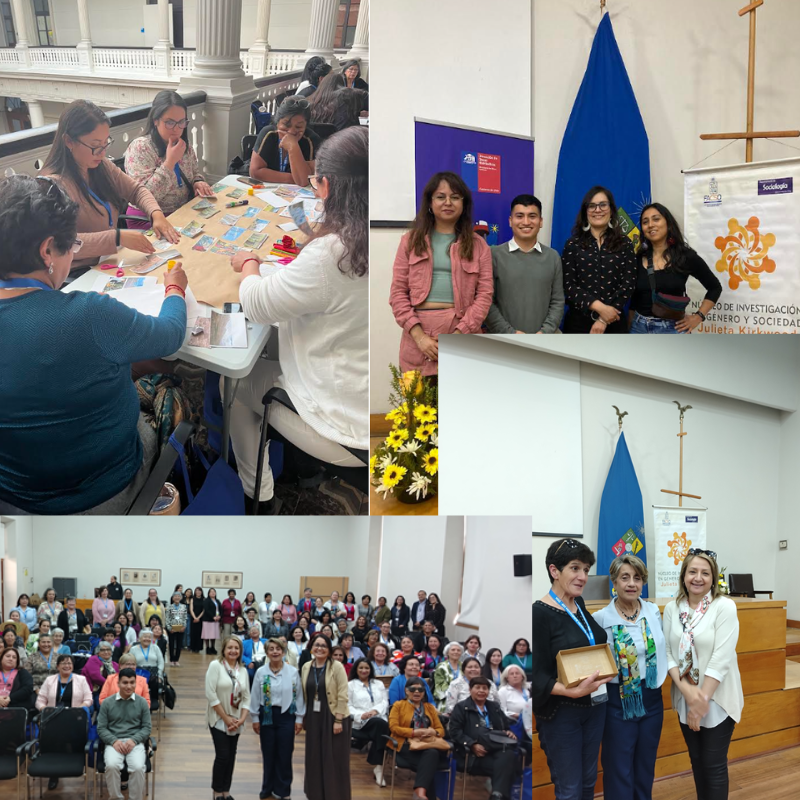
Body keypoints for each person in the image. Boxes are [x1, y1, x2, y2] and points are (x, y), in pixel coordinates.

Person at [0, 175, 187, 514]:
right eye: (71, 246)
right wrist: (175, 288)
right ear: (47, 251)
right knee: (168, 394)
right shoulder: (89, 315)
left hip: (14, 499)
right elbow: (171, 334)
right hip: (103, 492)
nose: (72, 255)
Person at [229, 126, 369, 512]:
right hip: (380, 409)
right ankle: (293, 459)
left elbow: (256, 303)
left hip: (349, 431)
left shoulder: (331, 255)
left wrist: (249, 263)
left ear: (326, 187)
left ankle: (260, 496)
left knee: (236, 385)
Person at [532, 538, 613, 800]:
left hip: (594, 708)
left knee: (589, 782)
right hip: (561, 714)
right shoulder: (539, 613)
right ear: (554, 571)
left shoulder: (579, 607)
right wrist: (571, 693)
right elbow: (533, 676)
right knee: (569, 789)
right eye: (575, 568)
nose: (583, 577)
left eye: (586, 570)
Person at [390, 170, 493, 376]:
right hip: (418, 335)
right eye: (440, 197)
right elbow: (398, 294)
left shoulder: (479, 246)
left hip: (462, 332)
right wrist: (420, 337)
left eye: (455, 197)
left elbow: (484, 295)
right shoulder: (409, 241)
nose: (448, 202)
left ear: (464, 205)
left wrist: (458, 334)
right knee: (420, 406)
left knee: (460, 404)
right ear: (430, 202)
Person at [664, 549, 743, 800]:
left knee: (713, 764)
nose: (698, 578)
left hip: (717, 699)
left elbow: (722, 659)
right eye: (692, 571)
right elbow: (667, 652)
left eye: (705, 573)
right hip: (684, 698)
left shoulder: (724, 607)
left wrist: (700, 702)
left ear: (713, 577)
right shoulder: (671, 608)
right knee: (696, 761)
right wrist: (686, 691)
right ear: (683, 576)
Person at [592, 553, 668, 800]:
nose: (631, 583)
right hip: (618, 702)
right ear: (614, 581)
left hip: (652, 699)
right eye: (625, 577)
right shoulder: (601, 619)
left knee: (645, 765)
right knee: (618, 767)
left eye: (637, 578)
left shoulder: (653, 611)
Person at [630, 202, 722, 334]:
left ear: (668, 223)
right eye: (645, 222)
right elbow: (634, 301)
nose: (650, 225)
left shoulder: (685, 256)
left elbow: (715, 287)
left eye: (656, 219)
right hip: (639, 328)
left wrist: (698, 317)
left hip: (673, 329)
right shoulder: (638, 259)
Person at [124, 90, 214, 225]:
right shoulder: (141, 147)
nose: (176, 129)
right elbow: (144, 197)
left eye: (181, 122)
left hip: (182, 210)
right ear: (156, 121)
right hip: (149, 217)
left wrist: (197, 182)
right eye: (170, 122)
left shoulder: (183, 144)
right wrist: (170, 162)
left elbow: (195, 173)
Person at [485, 194, 565, 334]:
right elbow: (486, 302)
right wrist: (510, 333)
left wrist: (544, 332)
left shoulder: (553, 257)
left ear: (541, 221)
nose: (526, 222)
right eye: (520, 216)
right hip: (505, 342)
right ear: (510, 221)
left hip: (546, 342)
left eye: (532, 216)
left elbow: (557, 301)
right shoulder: (494, 255)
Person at [561, 186, 636, 333]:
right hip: (578, 323)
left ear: (611, 209)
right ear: (585, 211)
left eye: (603, 205)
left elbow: (628, 284)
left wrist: (604, 318)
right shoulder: (572, 244)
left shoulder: (625, 243)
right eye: (592, 206)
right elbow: (568, 285)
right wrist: (600, 308)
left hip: (614, 321)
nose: (597, 210)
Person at [250, 639, 306, 800]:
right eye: (271, 649)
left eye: (278, 649)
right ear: (267, 652)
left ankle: (283, 790)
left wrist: (299, 719)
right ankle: (267, 787)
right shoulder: (261, 672)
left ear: (283, 652)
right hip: (266, 715)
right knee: (268, 753)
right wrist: (254, 718)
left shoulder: (292, 671)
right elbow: (255, 695)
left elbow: (299, 697)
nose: (275, 652)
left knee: (285, 753)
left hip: (286, 716)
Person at [449, 676, 520, 800]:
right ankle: (498, 795)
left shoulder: (494, 707)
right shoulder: (461, 707)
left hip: (497, 752)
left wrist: (508, 732)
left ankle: (496, 795)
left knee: (507, 757)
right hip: (474, 756)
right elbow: (454, 732)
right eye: (478, 687)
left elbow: (505, 726)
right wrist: (472, 744)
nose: (481, 691)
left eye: (485, 688)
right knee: (508, 766)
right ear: (470, 689)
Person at [299, 634, 351, 800]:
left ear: (329, 650)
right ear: (311, 647)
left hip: (334, 717)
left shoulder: (336, 667)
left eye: (323, 645)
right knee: (314, 757)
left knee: (334, 759)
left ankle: (335, 795)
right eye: (317, 644)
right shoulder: (306, 666)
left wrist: (338, 719)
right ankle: (316, 794)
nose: (319, 648)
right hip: (314, 718)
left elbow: (343, 694)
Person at [387, 676, 448, 800]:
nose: (416, 692)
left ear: (424, 692)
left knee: (431, 755)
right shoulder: (398, 705)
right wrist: (414, 732)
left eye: (420, 690)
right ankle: (423, 794)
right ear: (406, 691)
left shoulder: (430, 708)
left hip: (426, 743)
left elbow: (441, 730)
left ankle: (420, 793)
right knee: (431, 759)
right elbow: (393, 728)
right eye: (413, 689)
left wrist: (432, 732)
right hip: (405, 744)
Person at [205, 637, 251, 800]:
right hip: (219, 718)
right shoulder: (215, 666)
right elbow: (210, 694)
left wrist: (242, 719)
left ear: (240, 651)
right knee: (223, 755)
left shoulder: (243, 671)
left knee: (232, 755)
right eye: (230, 648)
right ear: (223, 650)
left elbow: (247, 698)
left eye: (236, 648)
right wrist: (226, 718)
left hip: (237, 720)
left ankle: (226, 790)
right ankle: (217, 791)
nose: (233, 651)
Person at [97, 667, 152, 800]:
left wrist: (134, 740)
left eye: (132, 682)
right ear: (118, 683)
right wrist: (114, 741)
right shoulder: (107, 703)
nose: (129, 686)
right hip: (114, 741)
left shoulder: (142, 702)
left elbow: (146, 728)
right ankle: (115, 797)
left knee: (138, 767)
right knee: (111, 766)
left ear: (136, 683)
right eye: (125, 682)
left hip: (135, 742)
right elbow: (101, 728)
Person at [250, 95, 320, 186]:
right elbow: (255, 172)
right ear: (277, 122)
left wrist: (293, 147)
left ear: (306, 126)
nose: (291, 131)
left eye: (298, 127)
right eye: (286, 125)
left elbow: (304, 181)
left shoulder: (311, 140)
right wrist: (293, 178)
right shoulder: (268, 134)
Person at [348, 657, 389, 787]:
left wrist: (374, 711)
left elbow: (384, 702)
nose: (364, 670)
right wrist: (361, 715)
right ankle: (378, 766)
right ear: (356, 669)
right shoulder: (350, 685)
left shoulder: (379, 684)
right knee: (382, 729)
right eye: (361, 668)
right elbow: (347, 705)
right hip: (359, 722)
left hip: (377, 718)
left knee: (379, 724)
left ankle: (378, 767)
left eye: (366, 668)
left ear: (370, 670)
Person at [433, 641, 464, 711]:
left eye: (458, 650)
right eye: (453, 650)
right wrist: (454, 695)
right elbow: (440, 685)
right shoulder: (441, 667)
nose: (456, 652)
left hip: (463, 697)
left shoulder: (464, 666)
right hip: (446, 699)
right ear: (447, 652)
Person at [165, 591, 188, 667]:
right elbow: (167, 618)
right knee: (171, 644)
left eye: (178, 596)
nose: (177, 597)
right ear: (173, 598)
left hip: (180, 628)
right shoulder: (169, 607)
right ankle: (171, 659)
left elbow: (185, 618)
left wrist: (184, 626)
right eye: (175, 596)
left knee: (179, 645)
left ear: (181, 598)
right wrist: (169, 628)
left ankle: (176, 660)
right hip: (172, 629)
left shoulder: (183, 607)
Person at [203, 588, 222, 655]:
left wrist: (219, 616)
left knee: (213, 634)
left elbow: (220, 609)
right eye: (211, 592)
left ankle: (213, 647)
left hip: (216, 620)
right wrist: (212, 617)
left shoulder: (217, 601)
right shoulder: (206, 601)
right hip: (208, 620)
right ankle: (207, 648)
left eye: (214, 592)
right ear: (209, 593)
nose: (213, 593)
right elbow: (206, 610)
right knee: (207, 635)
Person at [190, 587, 205, 653]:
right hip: (193, 618)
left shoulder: (204, 599)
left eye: (199, 591)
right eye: (197, 591)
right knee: (193, 633)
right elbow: (191, 609)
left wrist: (198, 618)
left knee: (199, 633)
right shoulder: (192, 599)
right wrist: (195, 617)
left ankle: (198, 648)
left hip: (201, 619)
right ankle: (192, 647)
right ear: (195, 592)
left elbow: (204, 610)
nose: (198, 592)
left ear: (201, 592)